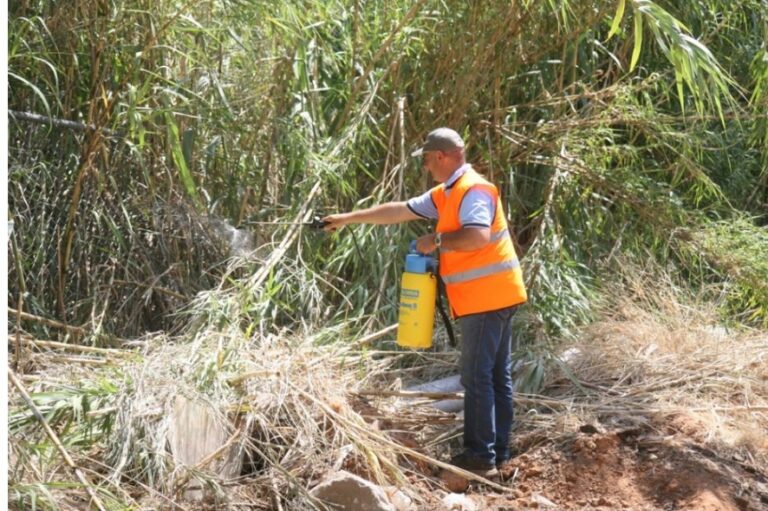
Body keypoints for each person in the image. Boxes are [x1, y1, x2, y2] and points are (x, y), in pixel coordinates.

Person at [323, 127, 528, 478]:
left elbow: (477, 236)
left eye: (427, 161)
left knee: (476, 377)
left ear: (441, 156)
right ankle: (498, 453)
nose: (426, 168)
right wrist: (346, 219)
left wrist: (436, 239)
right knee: (495, 377)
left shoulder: (473, 189)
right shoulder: (448, 193)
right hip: (496, 293)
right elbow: (399, 210)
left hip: (487, 297)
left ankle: (480, 456)